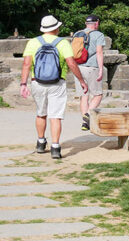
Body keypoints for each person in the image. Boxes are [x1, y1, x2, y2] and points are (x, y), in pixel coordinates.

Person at [20, 15, 87, 159]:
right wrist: (81, 80)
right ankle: (55, 147)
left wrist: (23, 83)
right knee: (55, 116)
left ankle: (40, 142)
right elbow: (71, 63)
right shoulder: (62, 43)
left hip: (37, 82)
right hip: (57, 83)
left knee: (41, 113)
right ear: (56, 28)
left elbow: (26, 64)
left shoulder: (33, 42)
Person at [76, 14, 107, 132]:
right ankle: (88, 115)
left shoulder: (77, 34)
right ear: (97, 23)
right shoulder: (99, 35)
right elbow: (99, 52)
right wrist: (100, 69)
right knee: (98, 94)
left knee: (84, 95)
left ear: (86, 24)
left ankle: (85, 122)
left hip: (79, 68)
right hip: (92, 67)